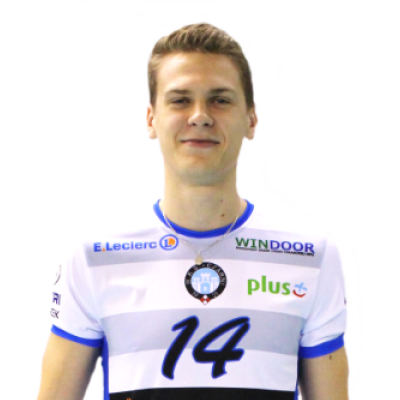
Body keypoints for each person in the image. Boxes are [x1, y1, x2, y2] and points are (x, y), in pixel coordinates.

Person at [35, 21, 350, 400]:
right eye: (180, 100)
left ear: (251, 120)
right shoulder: (93, 252)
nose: (200, 115)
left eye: (220, 99)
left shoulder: (312, 253)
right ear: (151, 119)